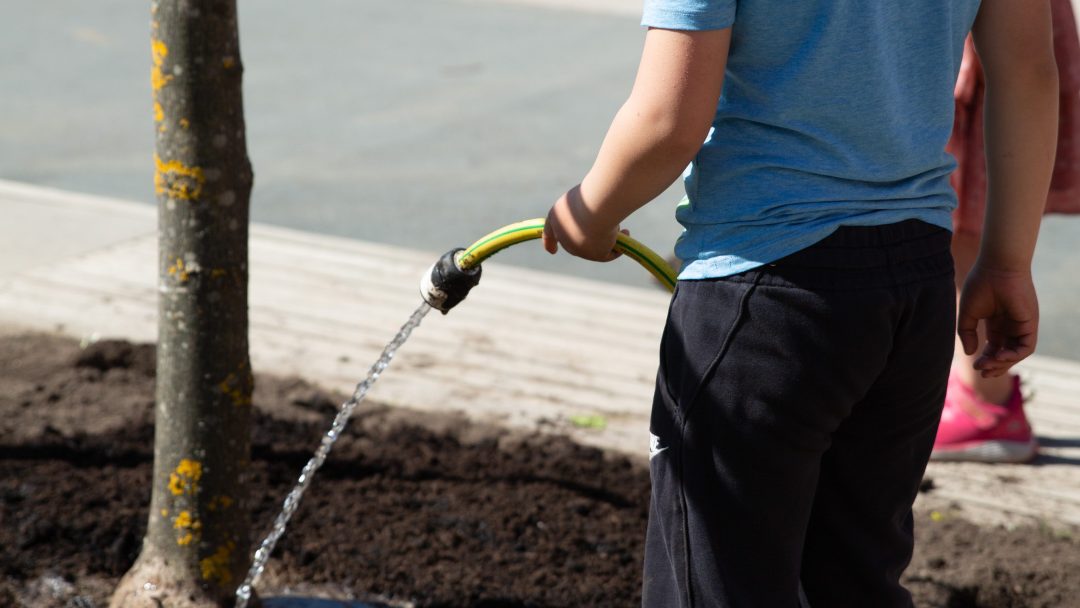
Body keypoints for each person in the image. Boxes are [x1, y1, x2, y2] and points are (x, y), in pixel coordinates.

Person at [540, 1, 1058, 606]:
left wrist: (588, 213)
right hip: (914, 287)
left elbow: (669, 120)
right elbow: (1027, 71)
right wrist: (1005, 261)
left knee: (719, 586)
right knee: (855, 579)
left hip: (768, 296)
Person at [933, 0, 1080, 464]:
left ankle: (985, 399)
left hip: (992, 29)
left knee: (969, 206)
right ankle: (980, 389)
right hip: (1010, 27)